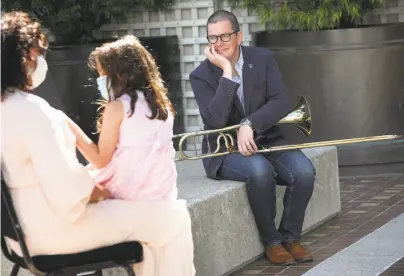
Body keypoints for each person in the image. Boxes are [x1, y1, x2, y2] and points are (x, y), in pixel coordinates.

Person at [1, 11, 195, 276]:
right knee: (174, 219)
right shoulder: (33, 111)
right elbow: (67, 191)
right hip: (53, 232)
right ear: (26, 57)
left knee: (152, 230)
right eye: (38, 52)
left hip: (19, 237)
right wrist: (98, 192)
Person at [189, 10, 316, 266]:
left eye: (225, 36)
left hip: (266, 138)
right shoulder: (201, 75)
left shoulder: (262, 58)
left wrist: (250, 123)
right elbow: (214, 121)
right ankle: (272, 242)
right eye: (212, 38)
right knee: (259, 171)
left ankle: (290, 238)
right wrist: (226, 71)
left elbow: (281, 100)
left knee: (304, 171)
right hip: (225, 150)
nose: (219, 43)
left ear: (239, 35)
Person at [67, 35, 178, 202]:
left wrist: (71, 129)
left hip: (129, 198)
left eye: (102, 74)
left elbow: (102, 160)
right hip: (164, 198)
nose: (100, 81)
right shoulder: (162, 107)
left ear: (119, 75)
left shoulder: (118, 107)